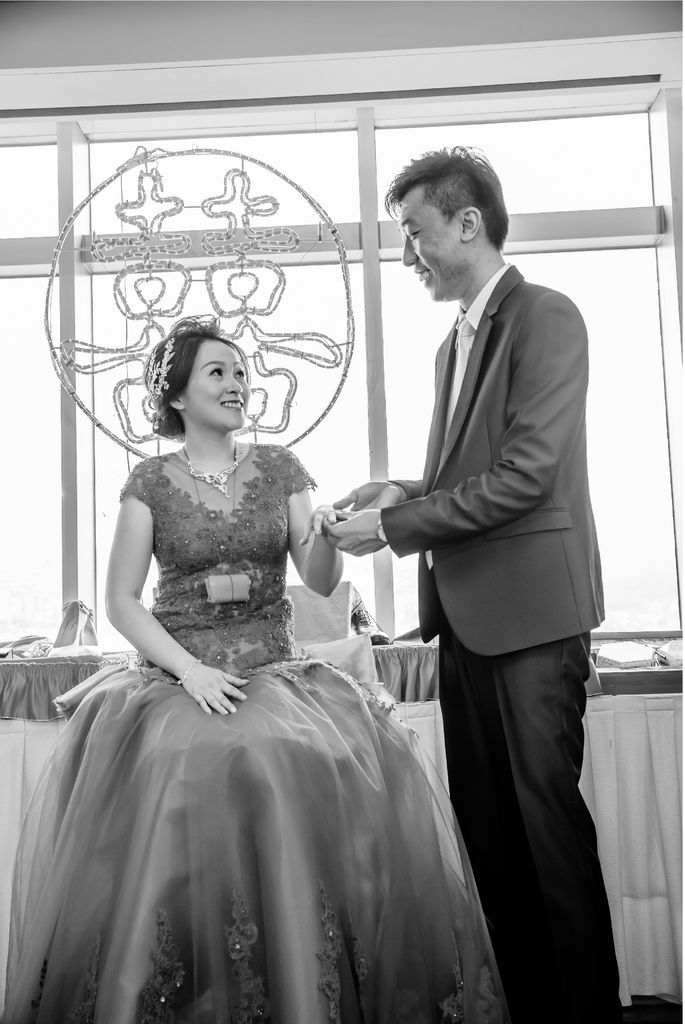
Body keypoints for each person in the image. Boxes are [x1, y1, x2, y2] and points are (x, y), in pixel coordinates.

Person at [2, 316, 506, 1023]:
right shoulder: (148, 483)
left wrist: (325, 535)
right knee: (189, 760)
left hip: (274, 668)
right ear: (177, 395)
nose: (237, 383)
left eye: (241, 372)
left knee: (287, 753)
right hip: (179, 674)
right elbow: (121, 601)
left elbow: (320, 580)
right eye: (218, 371)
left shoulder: (281, 470)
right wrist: (189, 672)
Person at [319, 148, 621, 1024]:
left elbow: (527, 476)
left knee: (546, 837)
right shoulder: (452, 345)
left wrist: (395, 530)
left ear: (467, 223)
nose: (407, 253)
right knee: (491, 839)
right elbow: (471, 477)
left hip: (533, 620)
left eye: (414, 232)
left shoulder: (546, 316)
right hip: (467, 624)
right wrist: (401, 491)